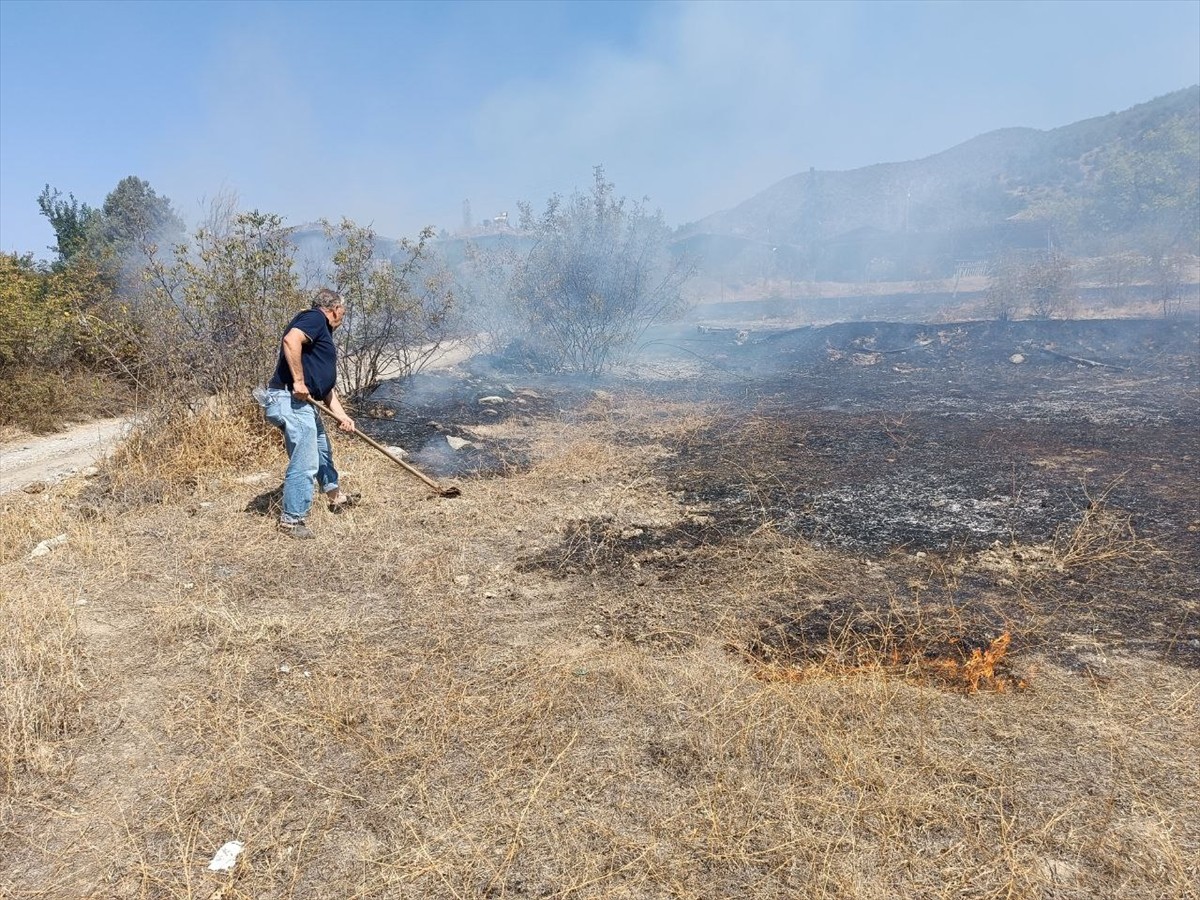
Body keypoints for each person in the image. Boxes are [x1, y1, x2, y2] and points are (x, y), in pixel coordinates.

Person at [260, 288, 358, 539]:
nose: (342, 319)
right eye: (343, 313)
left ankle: (337, 499)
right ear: (335, 309)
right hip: (291, 400)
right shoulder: (315, 318)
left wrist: (343, 417)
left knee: (322, 450)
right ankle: (292, 520)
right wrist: (299, 382)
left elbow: (326, 389)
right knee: (306, 461)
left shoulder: (321, 331)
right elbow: (291, 340)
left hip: (306, 403)